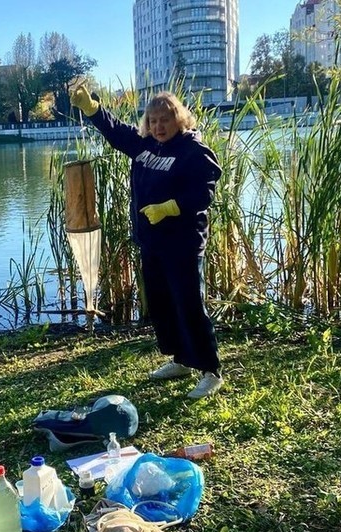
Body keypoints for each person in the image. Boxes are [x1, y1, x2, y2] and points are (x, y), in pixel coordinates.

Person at [70, 85, 223, 398]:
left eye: (165, 120)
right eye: (152, 121)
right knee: (163, 305)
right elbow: (116, 132)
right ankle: (181, 360)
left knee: (190, 306)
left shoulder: (192, 150)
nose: (158, 127)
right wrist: (92, 109)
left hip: (183, 244)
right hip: (152, 243)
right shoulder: (145, 146)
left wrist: (170, 207)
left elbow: (204, 191)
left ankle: (211, 370)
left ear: (179, 119)